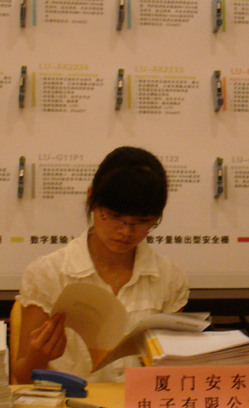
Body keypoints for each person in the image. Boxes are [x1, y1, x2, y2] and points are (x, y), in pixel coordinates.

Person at [12, 147, 188, 384]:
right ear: (91, 198)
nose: (126, 231)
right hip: (69, 403)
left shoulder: (169, 277)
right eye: (114, 216)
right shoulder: (48, 273)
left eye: (142, 221)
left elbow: (174, 372)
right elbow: (22, 378)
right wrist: (38, 357)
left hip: (138, 404)